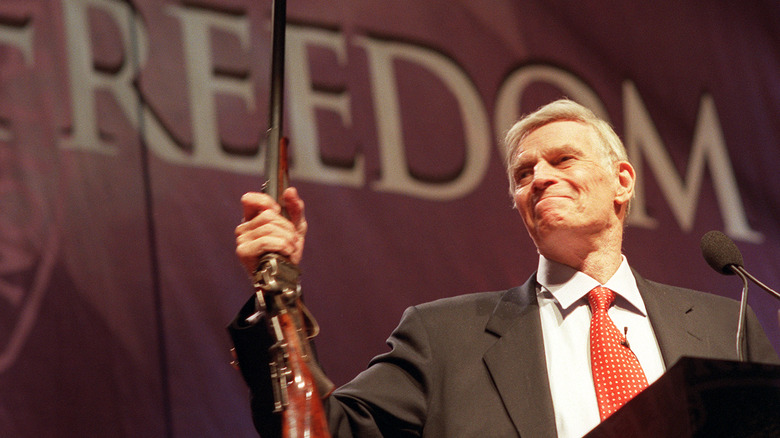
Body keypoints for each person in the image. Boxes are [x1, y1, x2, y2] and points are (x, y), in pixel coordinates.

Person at [229, 99, 779, 437]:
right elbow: (330, 431)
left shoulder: (724, 328)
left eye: (562, 159)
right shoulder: (444, 340)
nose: (538, 177)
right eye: (522, 173)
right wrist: (277, 296)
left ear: (623, 182)